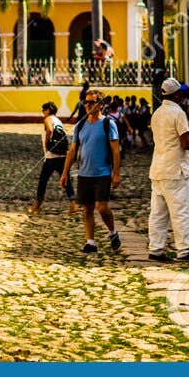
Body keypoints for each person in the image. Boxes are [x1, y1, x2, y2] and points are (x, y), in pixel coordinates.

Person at [61, 88, 123, 253]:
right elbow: (73, 150)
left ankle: (112, 232)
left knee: (101, 207)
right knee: (86, 209)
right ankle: (90, 242)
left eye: (91, 102)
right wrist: (64, 172)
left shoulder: (108, 124)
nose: (87, 105)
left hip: (102, 173)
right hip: (84, 174)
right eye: (85, 102)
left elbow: (116, 150)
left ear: (101, 105)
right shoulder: (80, 125)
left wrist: (116, 173)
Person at [147, 78, 189, 262]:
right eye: (180, 93)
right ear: (176, 95)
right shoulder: (178, 113)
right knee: (180, 211)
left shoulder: (157, 114)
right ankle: (184, 251)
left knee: (158, 213)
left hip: (158, 169)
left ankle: (156, 249)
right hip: (175, 170)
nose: (182, 95)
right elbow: (185, 142)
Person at [30, 101, 69, 214]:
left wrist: (47, 144)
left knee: (43, 180)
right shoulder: (58, 120)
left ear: (47, 110)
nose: (43, 112)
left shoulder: (48, 119)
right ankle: (73, 204)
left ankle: (37, 205)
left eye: (43, 110)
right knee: (66, 179)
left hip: (51, 156)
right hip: (61, 154)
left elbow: (50, 130)